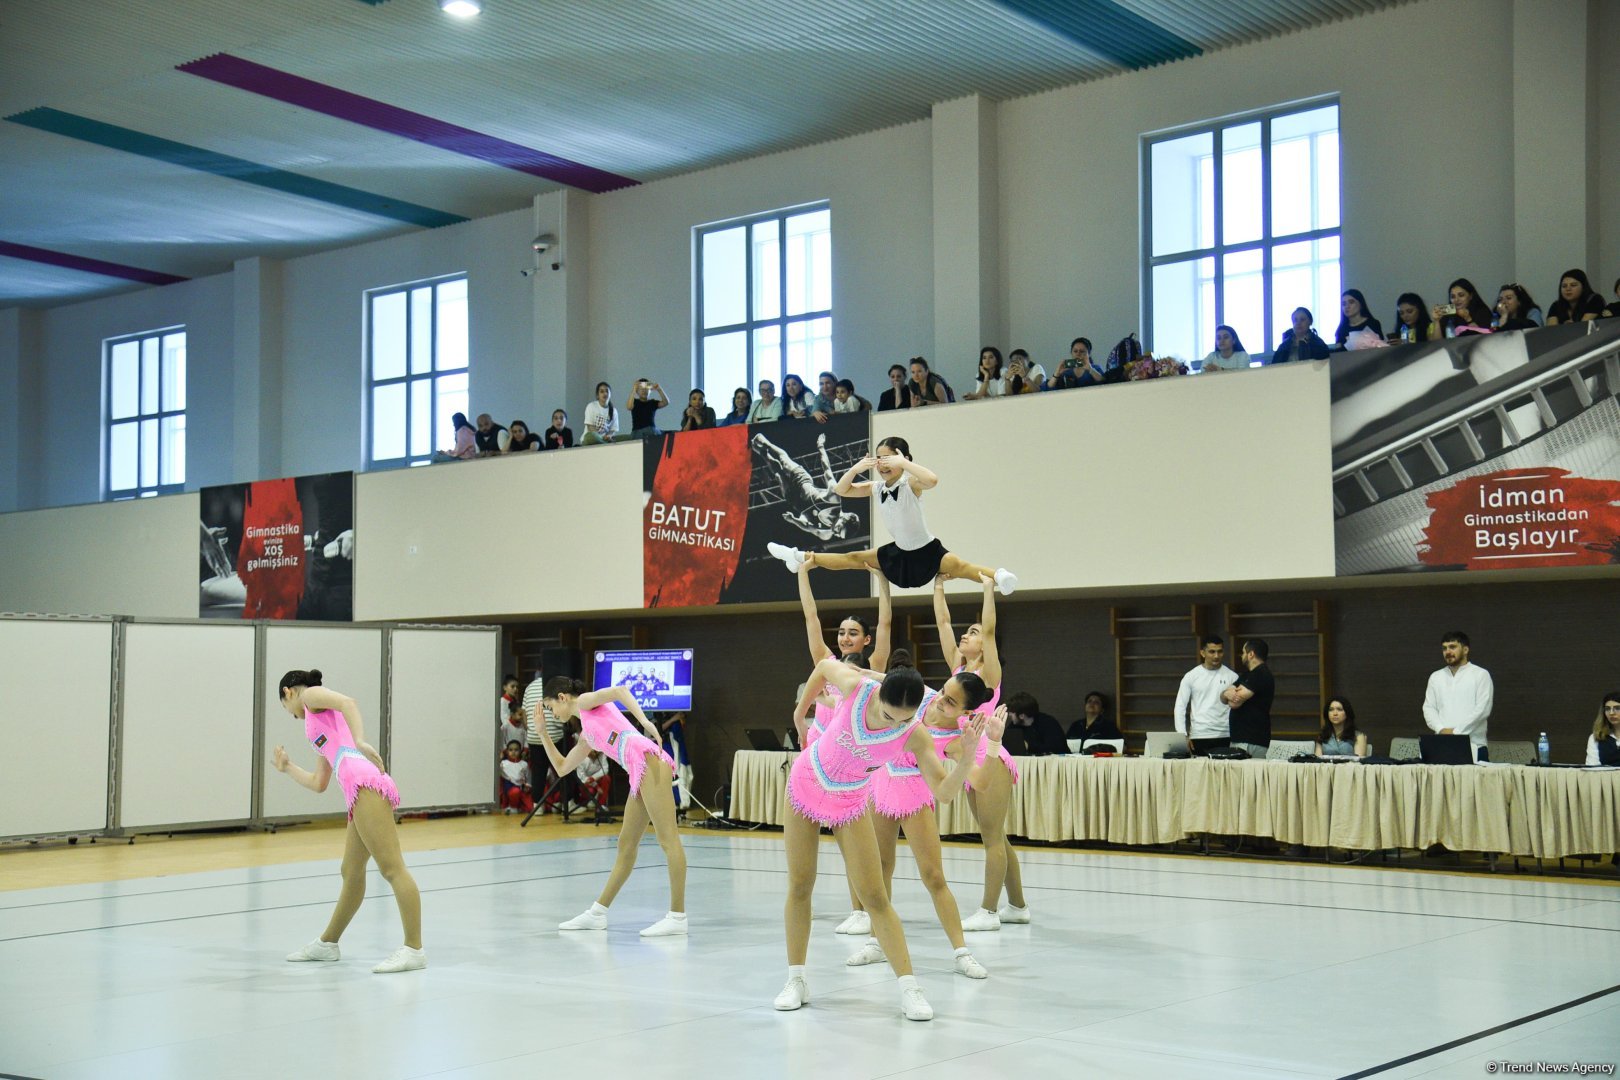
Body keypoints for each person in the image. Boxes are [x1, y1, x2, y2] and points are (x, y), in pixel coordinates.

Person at [776, 657, 991, 1021]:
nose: (898, 725)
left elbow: (943, 791)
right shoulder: (858, 689)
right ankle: (796, 979)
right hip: (807, 782)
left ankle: (910, 988)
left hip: (851, 798)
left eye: (906, 718)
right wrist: (801, 713)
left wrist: (968, 759)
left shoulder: (914, 733)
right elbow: (825, 665)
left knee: (875, 896)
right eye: (891, 717)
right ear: (879, 697)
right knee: (800, 884)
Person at [274, 669, 424, 973]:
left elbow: (349, 702)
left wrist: (360, 741)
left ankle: (414, 949)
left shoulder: (310, 696)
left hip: (365, 782)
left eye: (285, 707)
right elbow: (319, 782)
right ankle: (328, 943)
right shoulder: (317, 727)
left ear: (289, 692)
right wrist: (287, 767)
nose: (291, 714)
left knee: (392, 868)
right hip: (355, 790)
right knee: (351, 871)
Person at [851, 668, 997, 980]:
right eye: (943, 691)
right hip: (881, 784)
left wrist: (988, 746)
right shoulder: (924, 698)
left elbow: (982, 783)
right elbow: (886, 679)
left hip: (915, 796)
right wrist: (859, 671)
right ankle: (876, 942)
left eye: (951, 702)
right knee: (880, 867)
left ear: (966, 712)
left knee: (933, 876)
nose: (941, 700)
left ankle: (961, 952)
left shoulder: (956, 740)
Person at [766, 436, 1017, 594]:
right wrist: (856, 468)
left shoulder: (910, 484)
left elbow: (932, 479)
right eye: (878, 459)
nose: (881, 464)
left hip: (926, 549)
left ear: (902, 459)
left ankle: (1000, 576)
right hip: (898, 552)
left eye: (886, 458)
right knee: (852, 557)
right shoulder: (875, 488)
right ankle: (798, 557)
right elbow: (841, 490)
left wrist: (904, 463)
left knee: (961, 567)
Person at [541, 676, 688, 937]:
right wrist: (542, 734)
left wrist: (645, 723)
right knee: (626, 845)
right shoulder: (586, 733)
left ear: (562, 697)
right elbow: (563, 768)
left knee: (668, 840)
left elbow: (620, 690)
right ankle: (598, 913)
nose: (552, 714)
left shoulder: (585, 702)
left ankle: (677, 916)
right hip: (638, 771)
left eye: (551, 708)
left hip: (648, 760)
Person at [791, 565, 891, 936]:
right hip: (817, 761)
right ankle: (806, 901)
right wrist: (802, 572)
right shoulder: (829, 666)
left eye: (853, 633)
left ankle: (861, 909)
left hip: (850, 768)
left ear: (865, 641)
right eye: (843, 633)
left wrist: (882, 581)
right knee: (812, 842)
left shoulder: (873, 670)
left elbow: (885, 625)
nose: (846, 638)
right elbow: (810, 617)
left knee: (852, 839)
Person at [932, 573, 1027, 931]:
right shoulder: (958, 671)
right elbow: (942, 621)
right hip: (971, 757)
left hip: (992, 756)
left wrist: (988, 588)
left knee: (991, 838)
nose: (966, 635)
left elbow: (989, 631)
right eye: (967, 632)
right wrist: (938, 585)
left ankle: (988, 911)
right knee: (996, 835)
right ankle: (1017, 906)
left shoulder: (989, 671)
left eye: (971, 632)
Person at [751, 431, 860, 541]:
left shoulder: (826, 533)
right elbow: (827, 470)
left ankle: (762, 453)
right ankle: (765, 443)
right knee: (784, 461)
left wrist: (794, 520)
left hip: (794, 500)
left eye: (838, 535)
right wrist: (821, 447)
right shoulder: (834, 499)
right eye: (839, 529)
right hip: (802, 481)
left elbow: (808, 527)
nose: (835, 532)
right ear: (845, 517)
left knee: (778, 473)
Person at [1422, 630, 1492, 761]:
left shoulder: (1480, 674)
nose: (1447, 652)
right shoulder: (1435, 677)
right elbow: (1429, 708)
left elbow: (1482, 710)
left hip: (1474, 745)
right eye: (1444, 648)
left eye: (1452, 647)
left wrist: (1456, 733)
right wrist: (1441, 729)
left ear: (1465, 650)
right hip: (1441, 745)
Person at [1173, 635, 1236, 753]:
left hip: (1225, 735)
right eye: (1212, 652)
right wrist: (1182, 736)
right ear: (1202, 653)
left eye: (1220, 651)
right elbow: (1180, 707)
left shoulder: (1232, 677)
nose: (1216, 656)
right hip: (1199, 735)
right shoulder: (1191, 676)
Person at [1221, 639, 1275, 760]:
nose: (1242, 655)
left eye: (1243, 652)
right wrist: (1226, 694)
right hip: (1239, 738)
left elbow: (1234, 703)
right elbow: (1223, 697)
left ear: (1251, 654)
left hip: (1252, 739)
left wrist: (1229, 694)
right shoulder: (1246, 675)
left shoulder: (1261, 674)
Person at [1001, 691, 1068, 755]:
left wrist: (1028, 746)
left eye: (1011, 712)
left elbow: (1056, 747)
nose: (1009, 714)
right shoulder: (1014, 726)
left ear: (1022, 716)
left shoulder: (1048, 723)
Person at [659, 711, 692, 811]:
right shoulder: (654, 712)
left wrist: (679, 717)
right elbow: (658, 729)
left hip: (675, 746)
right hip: (662, 746)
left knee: (682, 772)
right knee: (669, 775)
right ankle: (670, 802)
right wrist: (674, 719)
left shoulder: (673, 715)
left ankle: (681, 801)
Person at [1584, 692, 1620, 766]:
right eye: (1607, 709)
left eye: (1617, 708)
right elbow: (1592, 769)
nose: (1611, 713)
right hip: (1605, 777)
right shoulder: (1596, 737)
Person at [499, 740, 534, 814]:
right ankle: (512, 807)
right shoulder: (503, 763)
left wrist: (528, 786)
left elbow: (528, 778)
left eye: (516, 750)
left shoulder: (524, 764)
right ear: (507, 751)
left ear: (520, 751)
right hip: (509, 790)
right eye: (510, 750)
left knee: (531, 809)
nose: (513, 752)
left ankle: (520, 807)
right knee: (515, 792)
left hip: (522, 790)